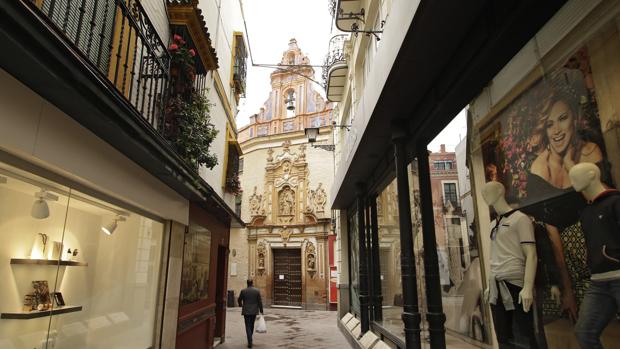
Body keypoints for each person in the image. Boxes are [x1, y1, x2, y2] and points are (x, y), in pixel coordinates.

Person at [525, 87, 604, 322]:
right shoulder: (539, 169)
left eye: (563, 119)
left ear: (574, 119)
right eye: (550, 124)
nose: (557, 130)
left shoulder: (590, 151)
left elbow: (599, 202)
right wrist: (566, 285)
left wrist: (570, 165)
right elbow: (552, 233)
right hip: (569, 259)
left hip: (601, 246)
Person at [569, 163, 620, 349]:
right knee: (584, 331)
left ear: (592, 174)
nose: (571, 180)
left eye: (575, 175)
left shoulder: (615, 202)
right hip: (598, 281)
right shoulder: (587, 212)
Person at [238, 279, 263, 348]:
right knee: (251, 325)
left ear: (247, 283)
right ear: (252, 283)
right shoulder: (257, 291)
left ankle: (249, 341)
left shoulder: (243, 291)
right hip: (254, 311)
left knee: (247, 326)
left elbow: (239, 299)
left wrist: (240, 304)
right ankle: (250, 339)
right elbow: (259, 301)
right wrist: (261, 310)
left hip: (246, 310)